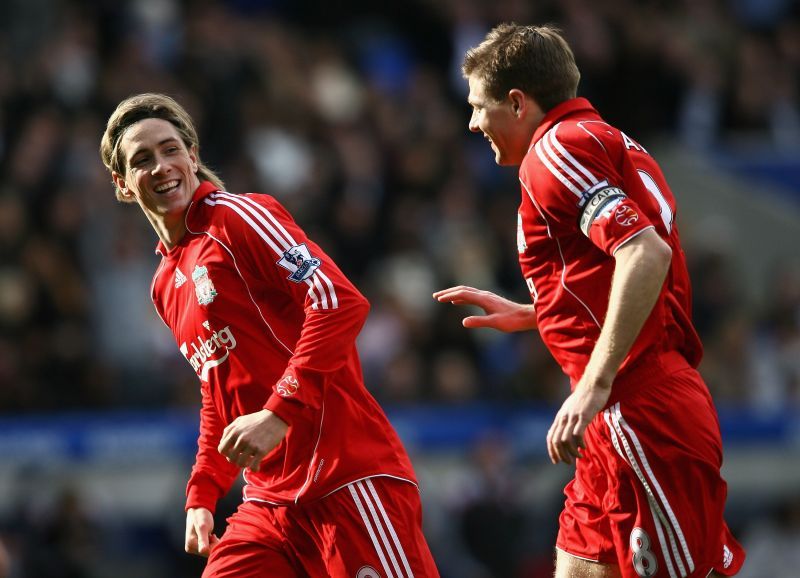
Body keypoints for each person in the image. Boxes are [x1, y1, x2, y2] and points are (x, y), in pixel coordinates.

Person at [434, 24, 745, 578]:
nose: (474, 122)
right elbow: (621, 266)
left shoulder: (556, 149)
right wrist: (541, 314)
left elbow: (645, 255)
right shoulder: (599, 138)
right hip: (615, 417)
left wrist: (596, 383)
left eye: (480, 107)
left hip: (639, 408)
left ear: (517, 101)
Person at [100, 93, 439, 578]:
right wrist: (203, 493)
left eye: (170, 149)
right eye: (142, 159)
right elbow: (220, 394)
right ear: (123, 185)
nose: (161, 166)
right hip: (269, 504)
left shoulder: (237, 218)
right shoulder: (164, 285)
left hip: (345, 475)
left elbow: (338, 301)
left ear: (192, 156)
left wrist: (280, 413)